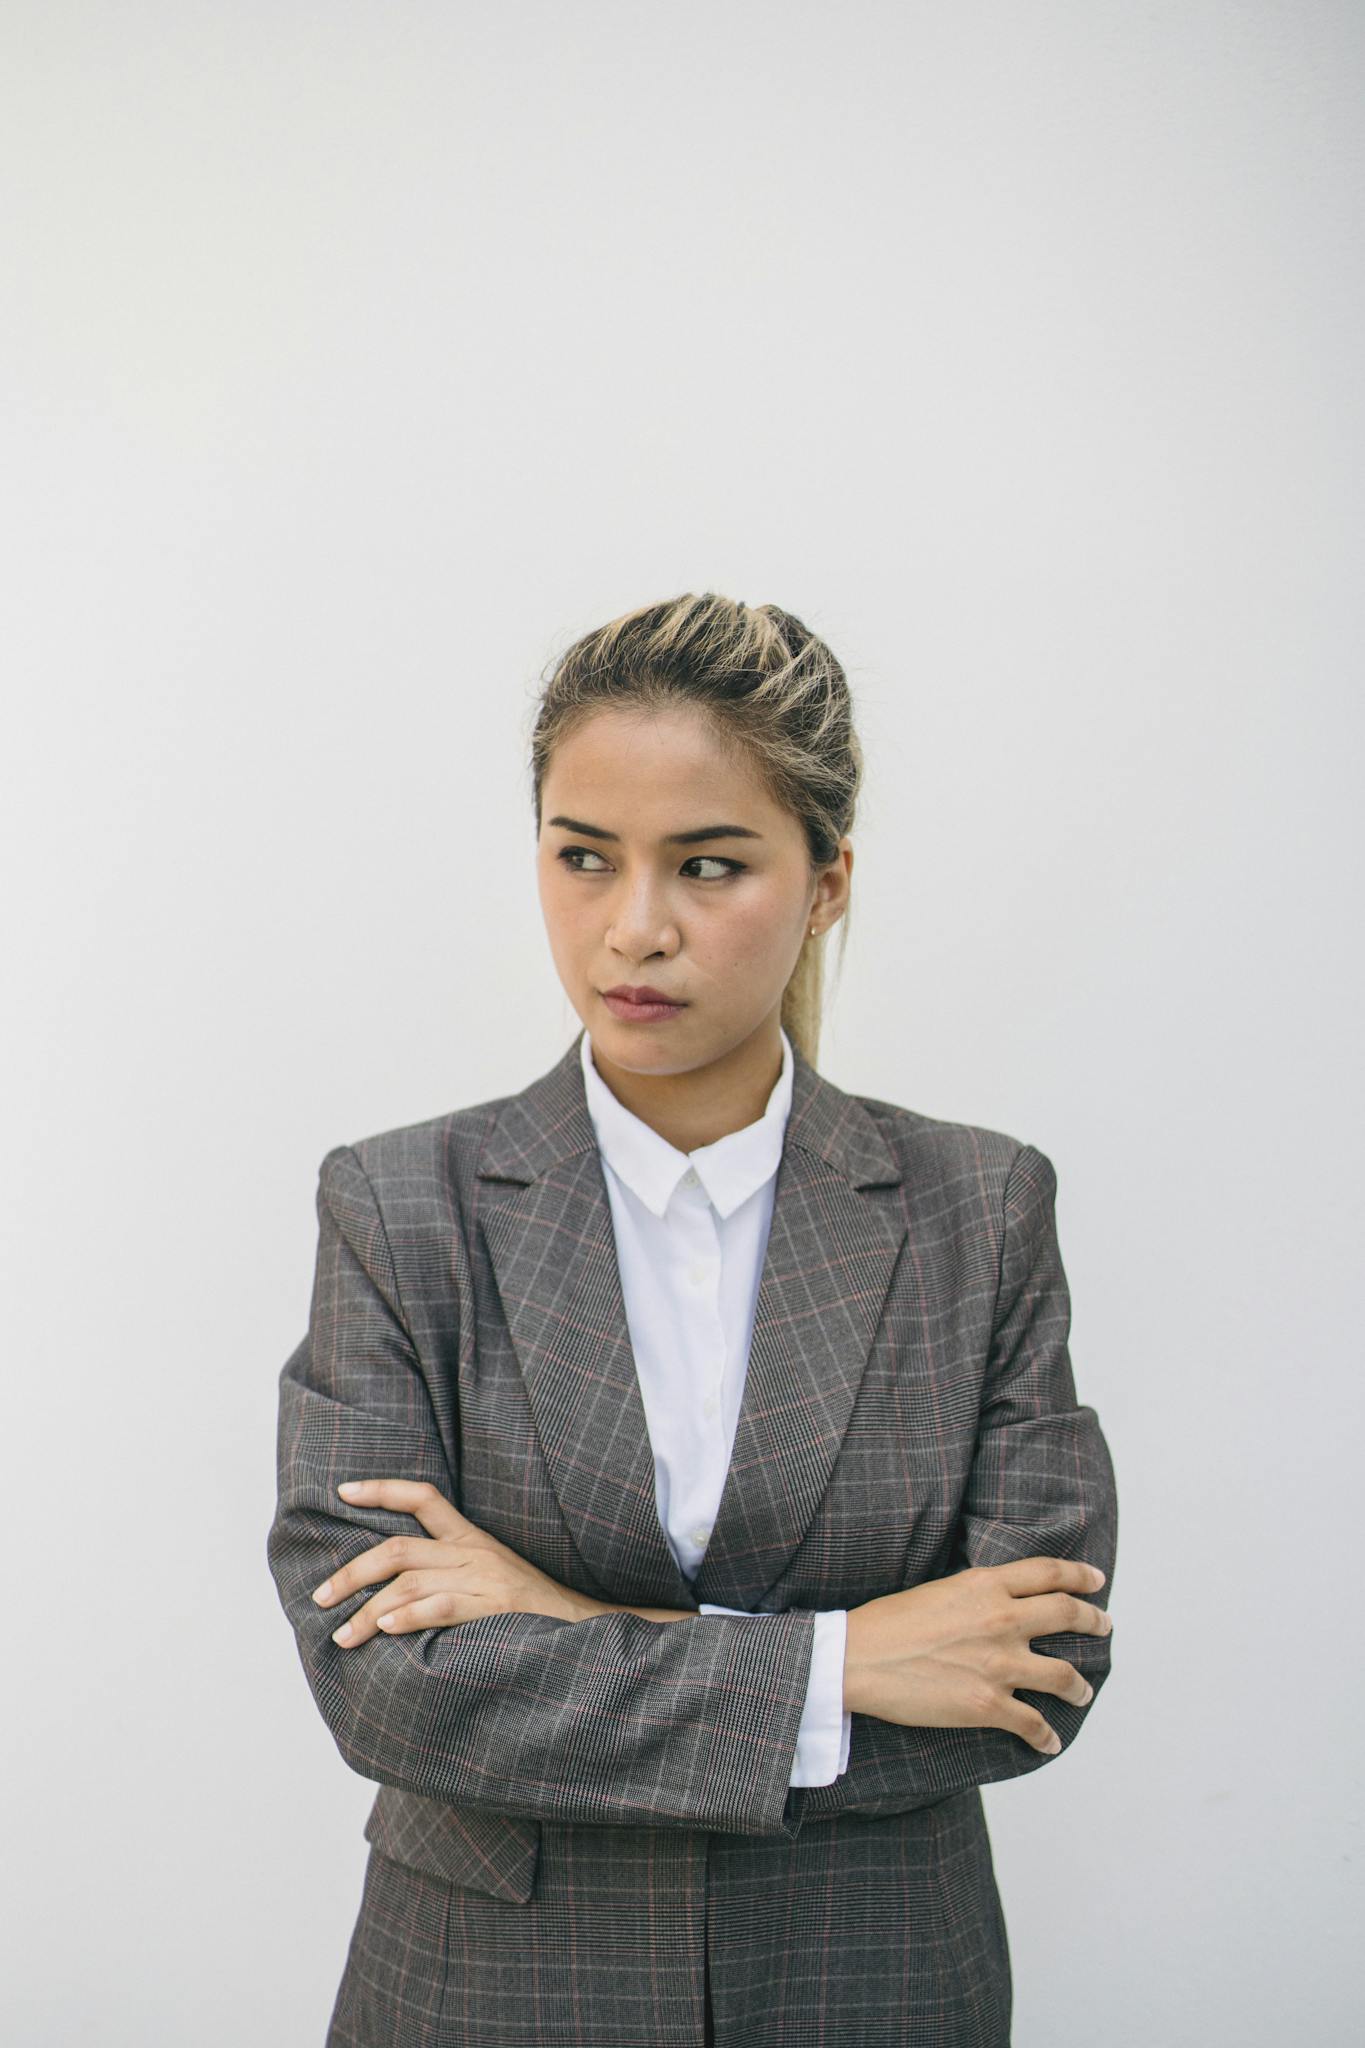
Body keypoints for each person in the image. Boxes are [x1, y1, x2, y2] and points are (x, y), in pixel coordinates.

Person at [266, 591, 1118, 2048]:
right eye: (582, 858)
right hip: (488, 1991)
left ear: (825, 880)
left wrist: (563, 1626)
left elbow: (1030, 1677)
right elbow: (392, 1693)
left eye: (707, 865)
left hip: (872, 1982)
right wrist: (837, 1667)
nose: (632, 927)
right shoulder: (404, 1207)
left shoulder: (979, 1207)